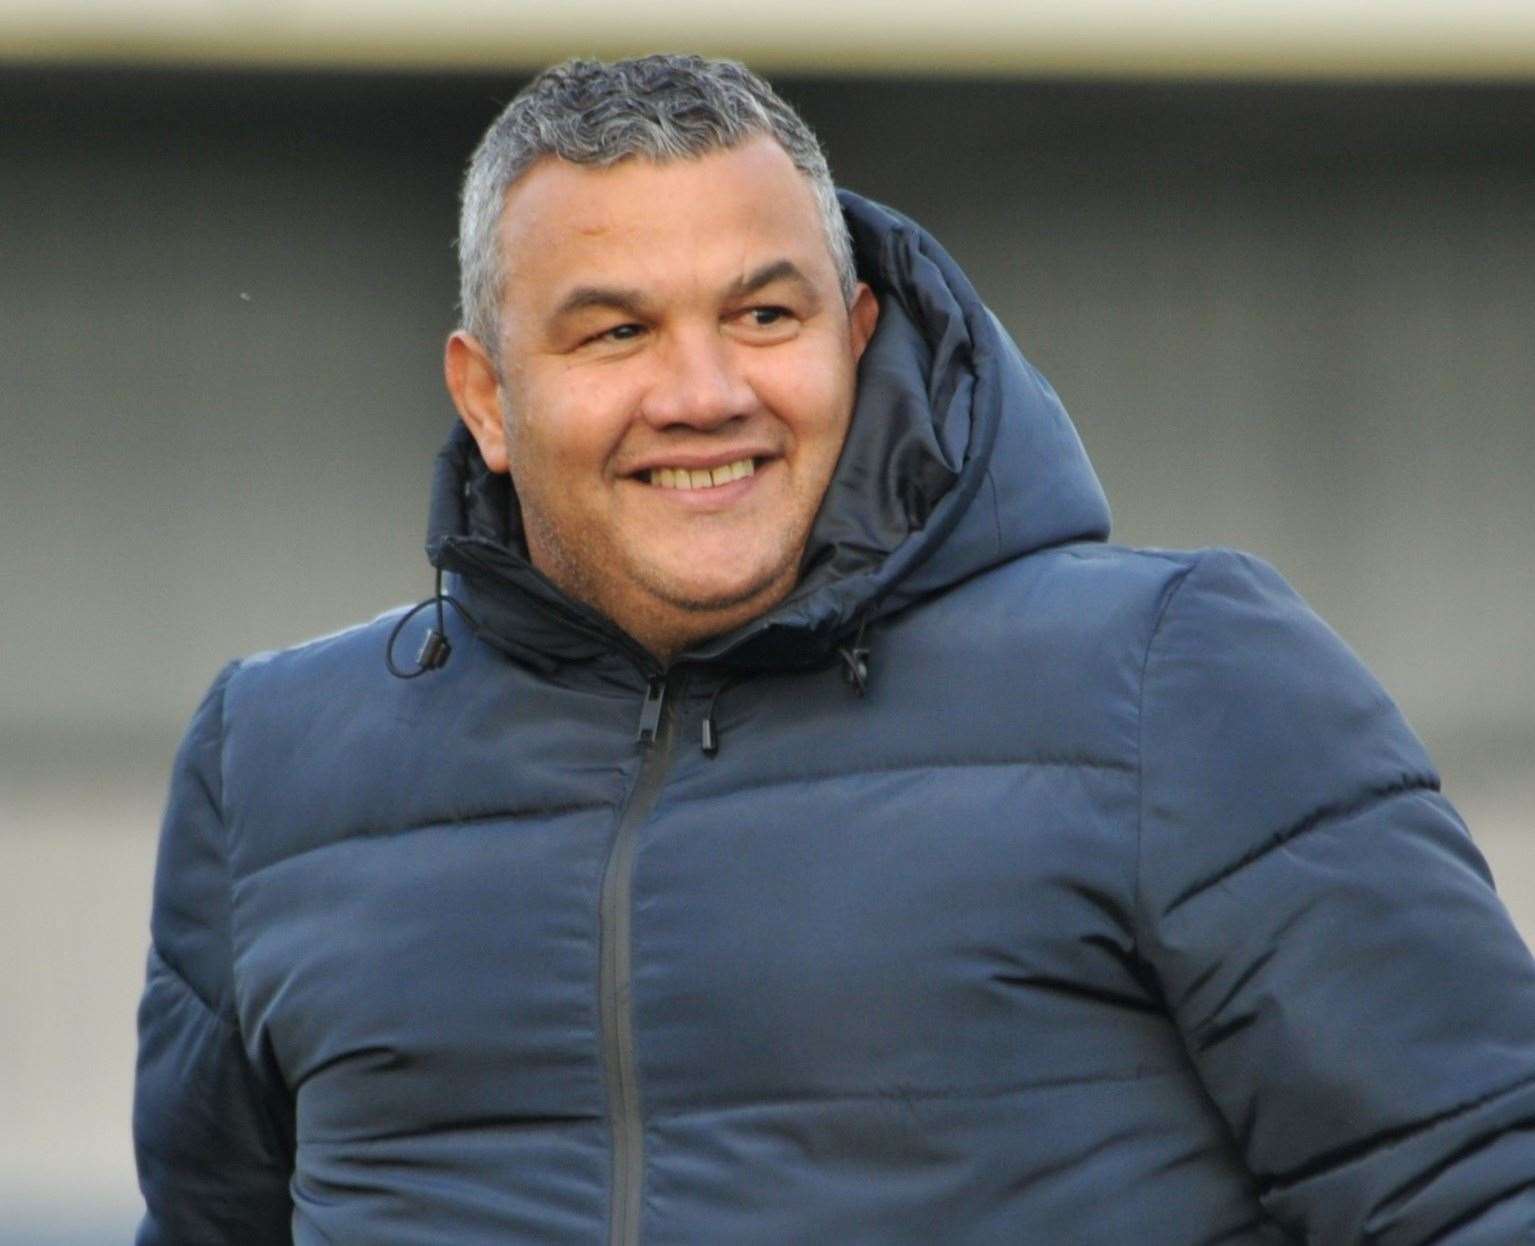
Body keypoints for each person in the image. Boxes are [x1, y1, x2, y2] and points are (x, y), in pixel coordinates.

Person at [133, 54, 1535, 1245]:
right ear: (487, 400)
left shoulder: (1175, 677)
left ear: (856, 335)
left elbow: (1482, 1183)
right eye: (617, 331)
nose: (704, 392)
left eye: (765, 314)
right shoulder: (273, 763)